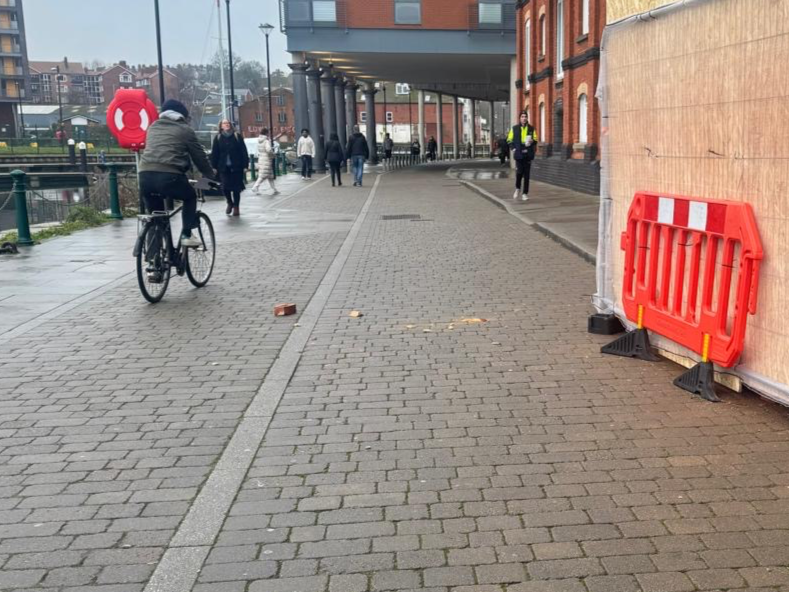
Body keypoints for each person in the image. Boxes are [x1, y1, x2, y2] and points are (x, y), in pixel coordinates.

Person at [138, 99, 215, 247]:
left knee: (156, 216)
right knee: (190, 197)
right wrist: (210, 175)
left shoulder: (152, 127)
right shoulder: (185, 130)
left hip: (145, 176)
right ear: (182, 116)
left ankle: (153, 259)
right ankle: (186, 235)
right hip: (169, 176)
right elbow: (199, 157)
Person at [210, 119, 249, 216]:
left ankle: (236, 207)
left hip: (236, 166)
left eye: (228, 123)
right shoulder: (218, 137)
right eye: (224, 123)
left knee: (236, 188)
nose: (226, 125)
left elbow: (243, 151)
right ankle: (229, 202)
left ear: (230, 125)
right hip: (223, 167)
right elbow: (215, 153)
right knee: (225, 186)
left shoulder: (237, 136)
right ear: (221, 126)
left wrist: (245, 165)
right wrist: (213, 166)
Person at [507, 110, 539, 201]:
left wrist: (533, 141)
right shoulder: (514, 128)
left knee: (527, 174)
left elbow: (536, 139)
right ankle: (517, 188)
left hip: (528, 153)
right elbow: (509, 140)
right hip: (518, 153)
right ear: (520, 118)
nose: (524, 118)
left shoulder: (531, 128)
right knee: (519, 172)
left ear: (527, 118)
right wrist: (513, 148)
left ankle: (525, 193)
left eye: (525, 116)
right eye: (522, 117)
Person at [252, 127, 279, 196]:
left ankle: (274, 189)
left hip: (261, 158)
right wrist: (273, 155)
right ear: (266, 133)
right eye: (268, 133)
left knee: (269, 175)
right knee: (263, 175)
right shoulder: (266, 141)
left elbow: (261, 149)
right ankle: (255, 187)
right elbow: (268, 150)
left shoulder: (259, 140)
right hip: (267, 159)